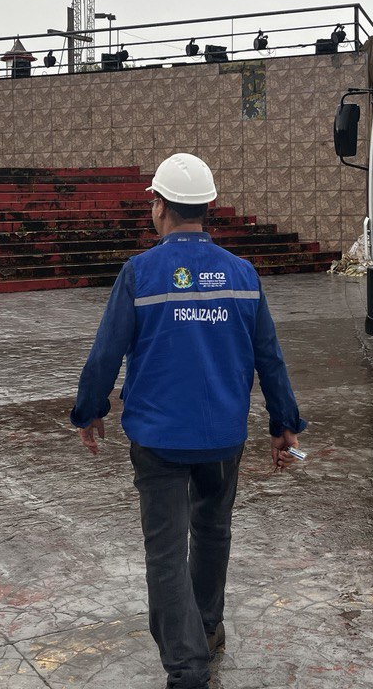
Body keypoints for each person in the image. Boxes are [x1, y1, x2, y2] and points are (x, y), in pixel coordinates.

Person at [70, 153, 307, 688]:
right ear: (209, 206)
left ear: (159, 206)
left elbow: (106, 353)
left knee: (166, 551)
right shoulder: (242, 274)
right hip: (223, 437)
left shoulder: (140, 273)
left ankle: (187, 667)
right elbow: (269, 357)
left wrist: (89, 410)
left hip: (158, 439)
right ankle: (207, 627)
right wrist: (283, 424)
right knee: (213, 532)